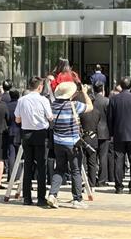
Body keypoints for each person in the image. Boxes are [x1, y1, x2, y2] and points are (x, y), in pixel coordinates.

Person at [46, 82, 93, 210]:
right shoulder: (74, 105)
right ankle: (77, 199)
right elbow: (90, 107)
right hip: (72, 143)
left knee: (59, 169)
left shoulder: (53, 105)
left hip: (58, 142)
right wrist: (84, 93)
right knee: (75, 170)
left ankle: (52, 194)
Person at [14, 76, 53, 206]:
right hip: (41, 133)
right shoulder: (44, 100)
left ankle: (27, 198)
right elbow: (50, 117)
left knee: (28, 165)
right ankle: (41, 198)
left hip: (26, 133)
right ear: (40, 87)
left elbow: (17, 119)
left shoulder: (22, 100)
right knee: (41, 166)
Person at [107, 77, 131, 194]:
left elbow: (110, 118)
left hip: (119, 133)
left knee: (118, 160)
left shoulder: (114, 99)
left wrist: (111, 133)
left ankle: (119, 187)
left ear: (120, 85)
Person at [77, 89, 100, 189]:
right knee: (92, 162)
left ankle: (83, 181)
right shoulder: (98, 112)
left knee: (82, 161)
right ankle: (92, 183)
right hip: (93, 137)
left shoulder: (82, 113)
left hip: (84, 137)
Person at [92, 82, 110, 187]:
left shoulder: (91, 100)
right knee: (103, 156)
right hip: (104, 131)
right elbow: (110, 116)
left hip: (93, 130)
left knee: (92, 157)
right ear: (102, 89)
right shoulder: (106, 101)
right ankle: (102, 180)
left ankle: (92, 179)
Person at [5, 88, 21, 180]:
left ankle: (11, 175)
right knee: (19, 155)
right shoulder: (20, 105)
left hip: (10, 131)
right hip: (20, 131)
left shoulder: (6, 105)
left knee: (11, 154)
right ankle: (18, 175)